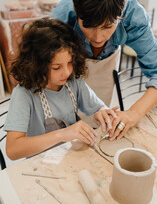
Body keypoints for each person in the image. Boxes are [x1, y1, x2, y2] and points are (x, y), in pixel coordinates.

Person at [51, 0, 157, 140]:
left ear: (122, 14)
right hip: (65, 78)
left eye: (108, 26)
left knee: (96, 130)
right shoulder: (60, 19)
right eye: (88, 26)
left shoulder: (133, 16)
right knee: (60, 133)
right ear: (76, 10)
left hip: (104, 71)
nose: (98, 37)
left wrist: (134, 113)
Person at [4, 18, 117, 160]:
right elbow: (13, 150)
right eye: (56, 67)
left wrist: (102, 112)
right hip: (40, 164)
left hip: (69, 156)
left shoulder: (73, 81)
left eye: (70, 62)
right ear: (36, 65)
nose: (66, 72)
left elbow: (98, 107)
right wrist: (62, 134)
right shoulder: (24, 94)